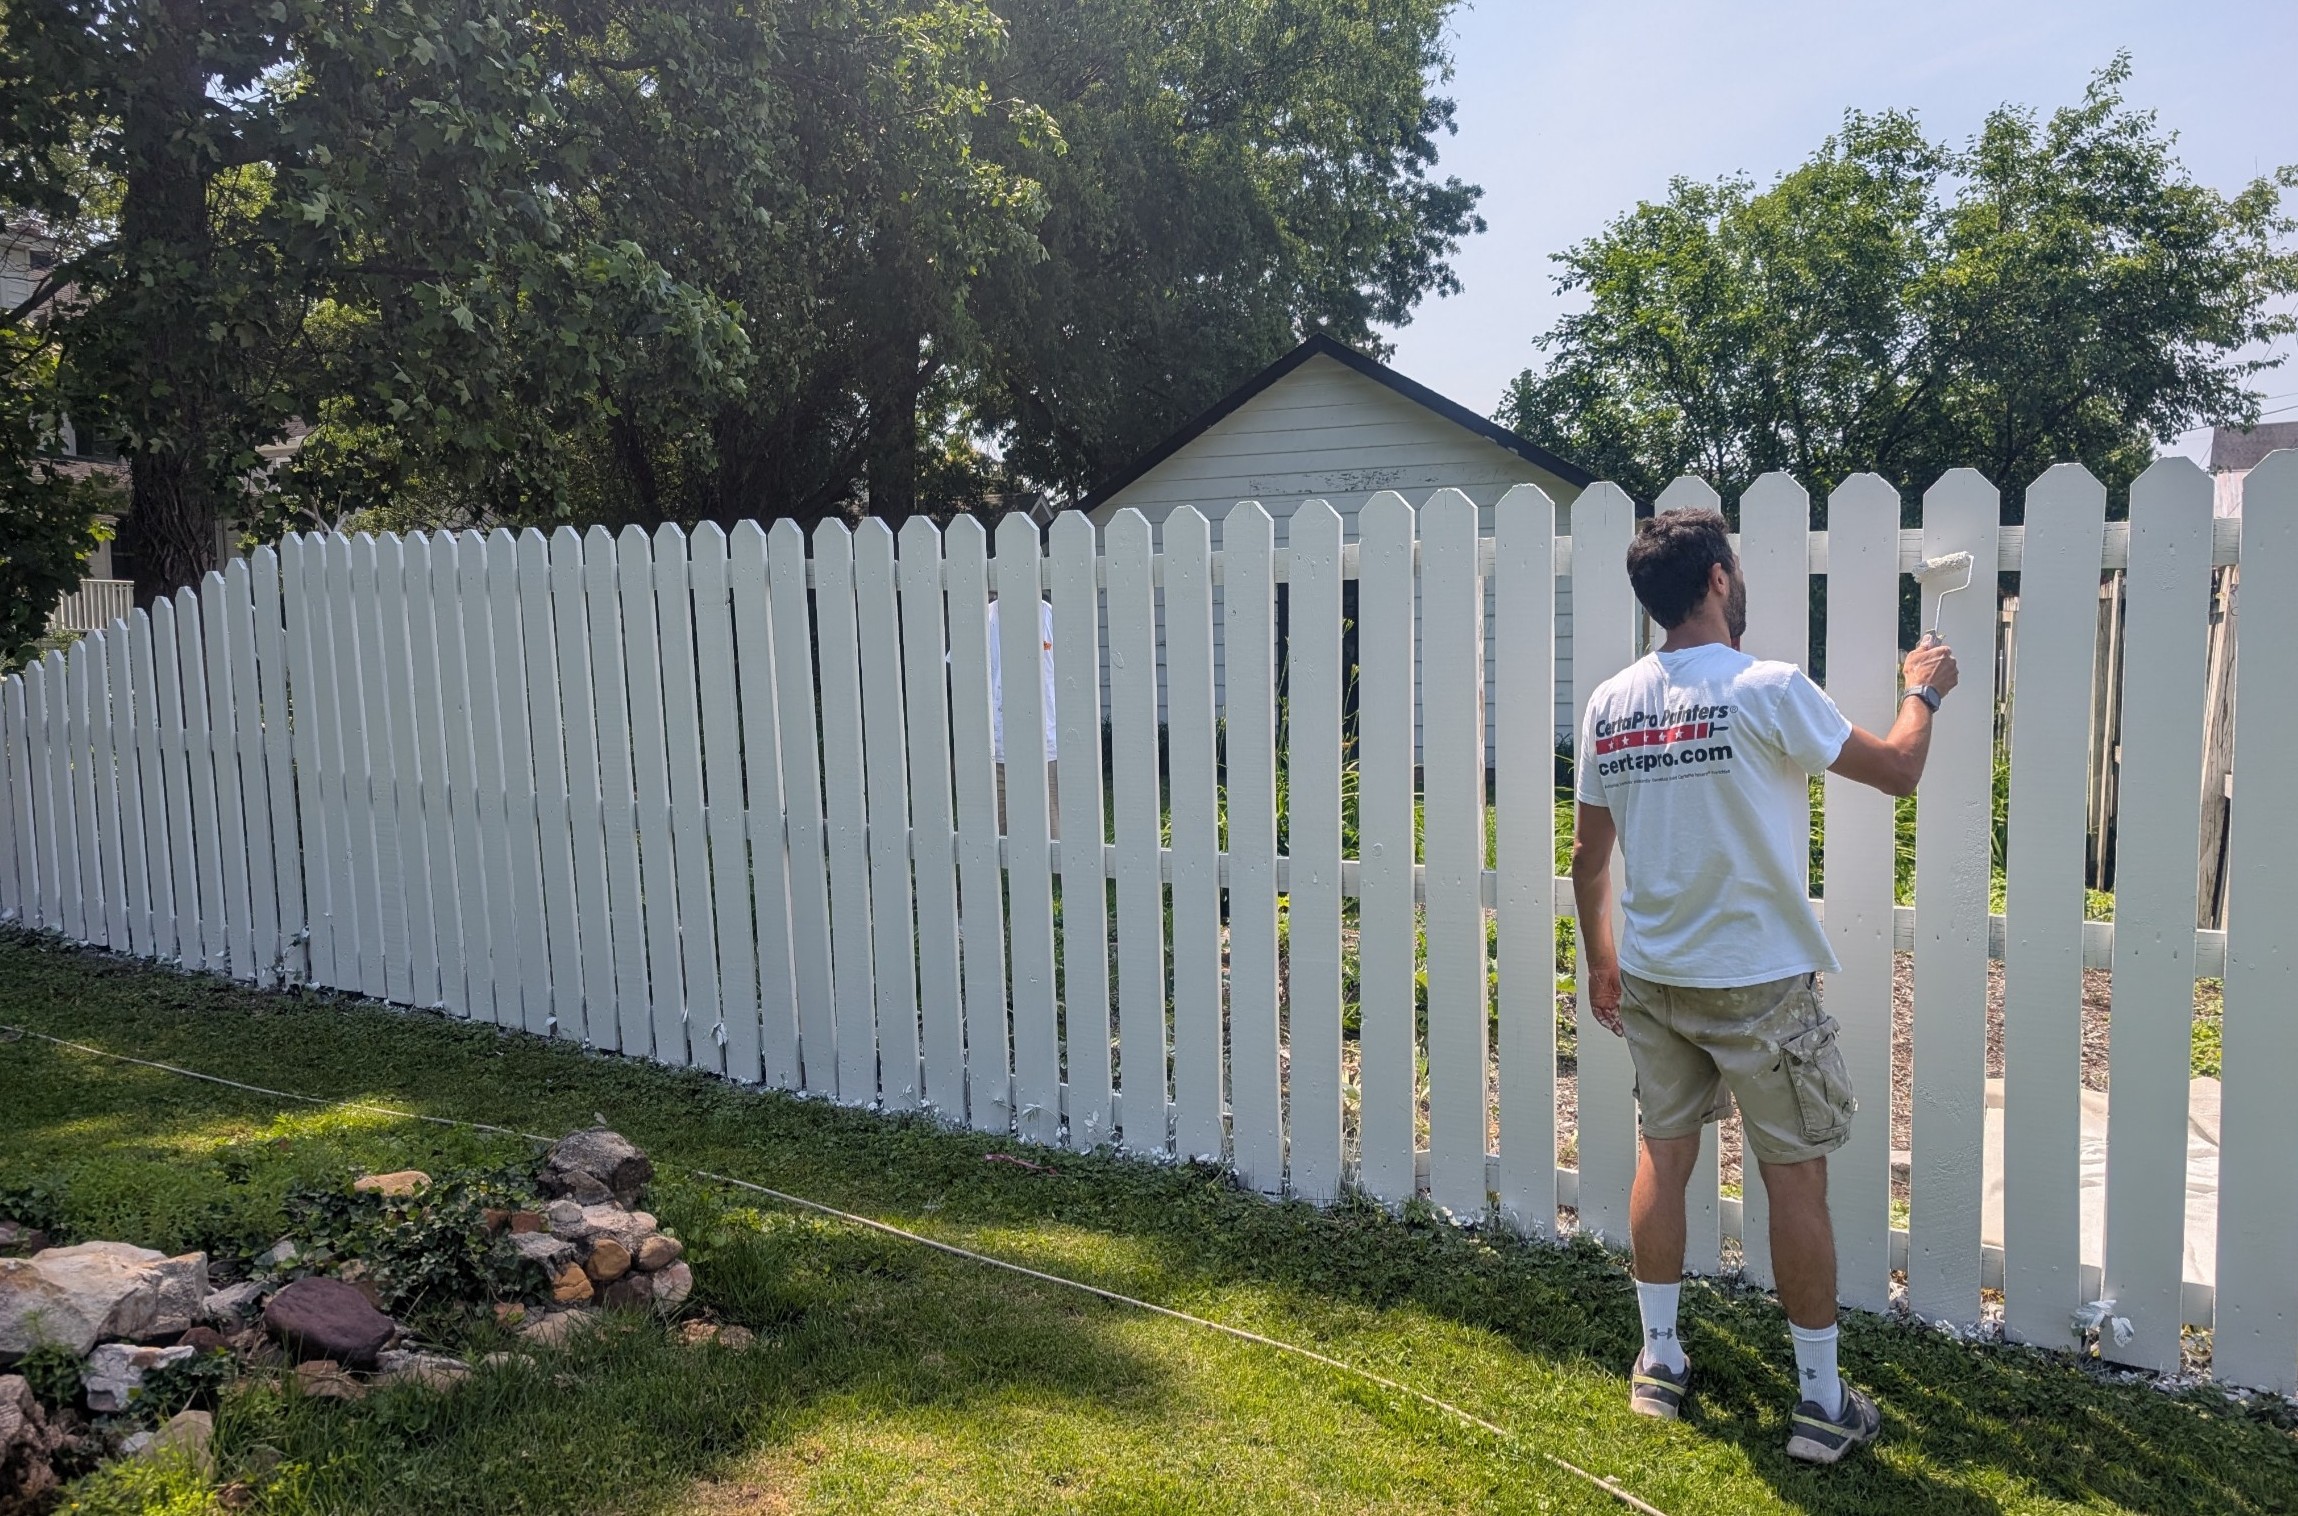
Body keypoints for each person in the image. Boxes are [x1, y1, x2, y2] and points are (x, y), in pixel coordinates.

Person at [1570, 507, 1959, 1465]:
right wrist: (1925, 690)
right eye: (1733, 568)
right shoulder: (1766, 687)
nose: (1739, 582)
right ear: (1713, 579)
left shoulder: (1610, 704)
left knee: (1664, 1157)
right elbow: (1899, 771)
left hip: (1657, 978)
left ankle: (1658, 1364)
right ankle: (1822, 1405)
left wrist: (1603, 959)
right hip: (1757, 985)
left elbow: (1587, 857)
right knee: (1794, 1180)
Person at [987, 595, 1059, 837]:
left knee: (1053, 837)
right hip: (995, 748)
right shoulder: (982, 618)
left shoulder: (1049, 615)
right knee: (994, 840)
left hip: (1045, 746)